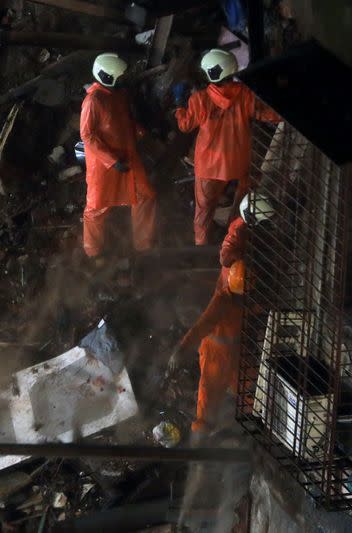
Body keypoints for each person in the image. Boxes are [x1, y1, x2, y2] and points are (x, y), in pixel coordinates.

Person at [174, 49, 280, 245]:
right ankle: (233, 237)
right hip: (239, 164)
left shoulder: (199, 100)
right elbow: (270, 114)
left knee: (204, 211)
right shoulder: (246, 95)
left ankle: (201, 245)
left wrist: (180, 105)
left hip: (208, 167)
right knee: (242, 204)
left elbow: (185, 126)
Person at [80, 53, 156, 261]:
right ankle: (93, 252)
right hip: (104, 166)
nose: (124, 80)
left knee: (145, 195)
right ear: (107, 77)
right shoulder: (93, 101)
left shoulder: (118, 95)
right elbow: (87, 136)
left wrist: (140, 132)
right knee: (96, 208)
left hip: (128, 157)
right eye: (120, 77)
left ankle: (142, 246)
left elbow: (124, 121)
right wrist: (111, 160)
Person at [168, 260, 246, 436]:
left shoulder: (235, 277)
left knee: (243, 388)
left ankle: (251, 414)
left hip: (238, 352)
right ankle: (202, 431)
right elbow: (201, 326)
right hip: (216, 355)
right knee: (209, 391)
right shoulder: (222, 302)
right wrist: (181, 349)